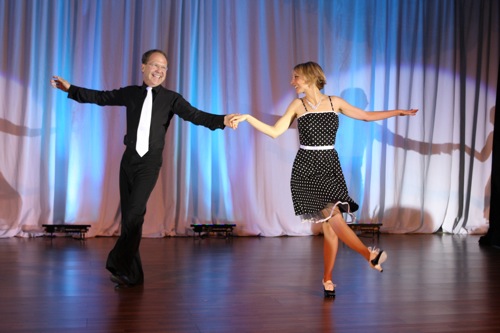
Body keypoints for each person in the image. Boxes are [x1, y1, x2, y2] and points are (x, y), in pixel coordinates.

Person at [51, 49, 236, 288]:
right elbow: (102, 97)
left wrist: (222, 120)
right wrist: (71, 89)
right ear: (143, 67)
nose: (159, 71)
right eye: (155, 65)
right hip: (128, 161)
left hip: (149, 163)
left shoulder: (171, 98)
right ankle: (133, 276)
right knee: (130, 219)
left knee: (135, 214)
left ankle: (118, 261)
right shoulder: (131, 93)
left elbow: (195, 115)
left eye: (164, 68)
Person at [230, 61, 418, 297]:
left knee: (330, 229)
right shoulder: (298, 105)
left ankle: (327, 278)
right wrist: (248, 118)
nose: (292, 81)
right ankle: (369, 255)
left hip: (330, 165)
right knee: (334, 215)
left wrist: (398, 112)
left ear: (309, 77)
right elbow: (275, 131)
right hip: (306, 169)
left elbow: (366, 116)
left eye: (295, 77)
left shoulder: (334, 102)